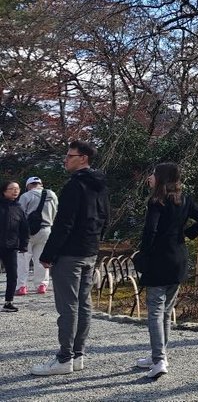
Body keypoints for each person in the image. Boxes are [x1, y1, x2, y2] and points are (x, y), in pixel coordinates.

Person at [30, 140, 109, 377]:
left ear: (83, 158)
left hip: (70, 253)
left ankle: (64, 357)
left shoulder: (75, 186)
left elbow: (64, 223)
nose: (65, 159)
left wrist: (48, 254)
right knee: (84, 304)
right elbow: (106, 216)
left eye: (69, 155)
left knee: (68, 306)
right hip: (90, 251)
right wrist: (96, 241)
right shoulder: (100, 184)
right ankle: (78, 355)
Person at [134, 162, 198, 380]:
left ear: (161, 178)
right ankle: (159, 356)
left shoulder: (156, 201)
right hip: (178, 258)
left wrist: (143, 255)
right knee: (166, 312)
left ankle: (159, 360)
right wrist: (186, 234)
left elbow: (150, 231)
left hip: (159, 261)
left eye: (153, 174)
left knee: (155, 312)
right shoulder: (184, 200)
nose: (150, 176)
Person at [17, 176, 58, 296]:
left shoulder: (26, 196)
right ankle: (41, 285)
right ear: (41, 184)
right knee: (42, 258)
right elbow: (56, 212)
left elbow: (20, 215)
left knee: (23, 259)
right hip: (46, 230)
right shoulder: (52, 195)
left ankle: (22, 286)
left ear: (28, 186)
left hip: (27, 232)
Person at [1, 180, 30, 312]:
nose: (15, 191)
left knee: (13, 275)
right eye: (12, 188)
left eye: (17, 189)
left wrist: (24, 245)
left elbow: (25, 229)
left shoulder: (19, 208)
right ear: (4, 191)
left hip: (11, 246)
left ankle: (8, 302)